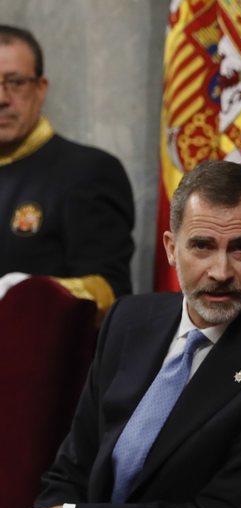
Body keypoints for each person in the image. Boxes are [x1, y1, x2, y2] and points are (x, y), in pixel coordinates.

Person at [29, 160, 241, 508]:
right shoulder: (128, 321)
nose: (220, 271)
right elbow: (71, 468)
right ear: (172, 248)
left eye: (240, 248)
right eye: (202, 247)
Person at [0, 25, 134, 311]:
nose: (2, 98)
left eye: (15, 82)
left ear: (40, 89)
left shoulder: (88, 171)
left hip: (36, 352)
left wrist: (30, 292)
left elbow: (111, 291)